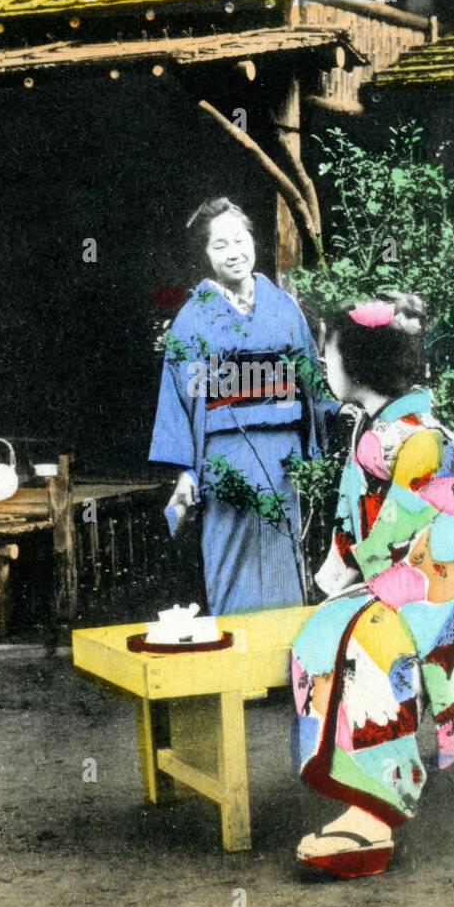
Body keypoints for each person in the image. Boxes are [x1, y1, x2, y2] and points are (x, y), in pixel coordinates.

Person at [291, 292, 454, 879]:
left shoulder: (415, 435)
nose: (324, 365)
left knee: (366, 646)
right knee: (327, 638)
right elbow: (366, 523)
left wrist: (359, 573)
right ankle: (363, 803)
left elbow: (409, 520)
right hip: (405, 570)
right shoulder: (385, 426)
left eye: (328, 353)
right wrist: (347, 575)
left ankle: (375, 817)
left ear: (362, 367)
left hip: (436, 575)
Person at [149, 198, 337, 615]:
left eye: (240, 239)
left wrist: (336, 412)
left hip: (282, 452)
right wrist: (185, 471)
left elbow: (310, 380)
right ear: (204, 254)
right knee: (229, 554)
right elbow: (178, 398)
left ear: (253, 241)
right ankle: (236, 665)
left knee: (282, 552)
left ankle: (283, 669)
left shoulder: (283, 306)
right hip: (225, 454)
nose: (234, 252)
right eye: (220, 245)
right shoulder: (193, 316)